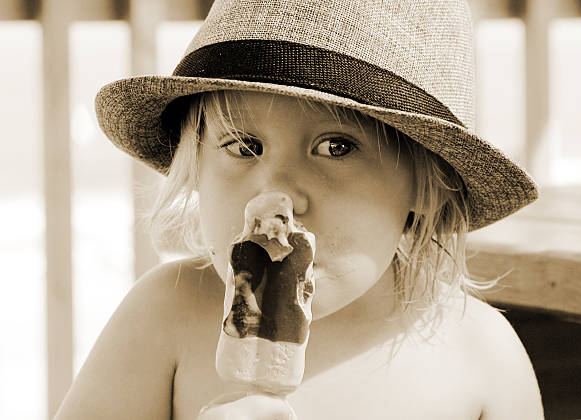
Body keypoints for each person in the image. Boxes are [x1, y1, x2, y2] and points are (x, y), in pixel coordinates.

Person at [54, 0, 545, 419]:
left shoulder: (483, 357)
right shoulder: (165, 314)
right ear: (195, 169)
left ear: (426, 184)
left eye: (336, 147)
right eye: (244, 146)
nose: (276, 196)